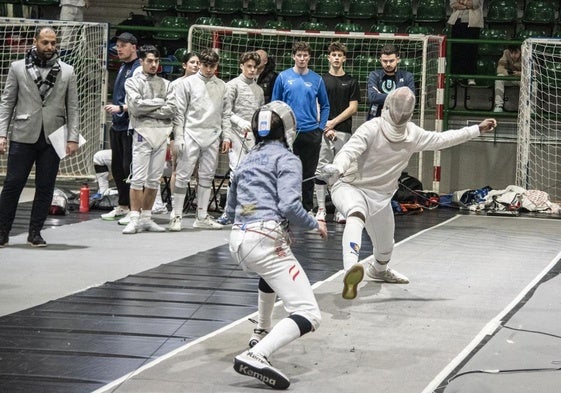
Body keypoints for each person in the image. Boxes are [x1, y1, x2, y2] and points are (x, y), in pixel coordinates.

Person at [319, 87, 497, 300]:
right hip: (350, 187)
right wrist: (337, 168)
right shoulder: (372, 129)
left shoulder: (413, 134)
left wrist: (477, 129)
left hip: (381, 197)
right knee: (356, 214)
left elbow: (443, 139)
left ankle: (379, 270)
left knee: (385, 249)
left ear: (386, 107)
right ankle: (351, 268)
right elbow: (349, 152)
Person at [227, 101, 328, 390]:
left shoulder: (247, 156)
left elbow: (231, 202)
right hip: (264, 240)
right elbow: (289, 205)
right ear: (287, 129)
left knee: (269, 274)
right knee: (309, 314)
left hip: (237, 240)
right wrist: (314, 224)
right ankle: (257, 354)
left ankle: (261, 329)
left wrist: (275, 227)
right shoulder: (288, 158)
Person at [0, 26, 79, 248]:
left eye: (53, 43)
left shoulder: (68, 71)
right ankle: (2, 231)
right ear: (36, 42)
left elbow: (73, 107)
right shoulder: (17, 68)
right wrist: (1, 134)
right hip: (23, 134)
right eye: (45, 42)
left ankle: (35, 232)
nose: (50, 47)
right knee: (13, 184)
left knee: (46, 186)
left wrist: (72, 138)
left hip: (53, 137)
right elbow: (7, 103)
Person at [169, 48, 231, 231]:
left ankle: (202, 216)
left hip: (212, 135)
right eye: (205, 65)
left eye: (213, 66)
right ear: (200, 64)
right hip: (191, 134)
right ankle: (176, 215)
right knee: (182, 175)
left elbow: (225, 114)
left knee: (206, 176)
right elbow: (179, 113)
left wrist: (225, 137)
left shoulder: (222, 86)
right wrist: (178, 137)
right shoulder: (186, 84)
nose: (209, 69)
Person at [121, 45, 176, 234]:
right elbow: (135, 108)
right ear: (141, 61)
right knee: (138, 179)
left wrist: (149, 107)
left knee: (153, 180)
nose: (154, 64)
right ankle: (134, 218)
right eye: (150, 61)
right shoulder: (132, 82)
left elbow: (172, 109)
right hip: (142, 133)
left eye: (156, 61)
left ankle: (146, 218)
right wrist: (160, 102)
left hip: (162, 135)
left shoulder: (167, 84)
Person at [272, 41, 330, 213]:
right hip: (288, 133)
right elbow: (275, 104)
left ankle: (307, 208)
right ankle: (284, 207)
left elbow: (325, 105)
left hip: (311, 133)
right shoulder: (283, 77)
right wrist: (279, 130)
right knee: (286, 171)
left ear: (309, 57)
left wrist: (320, 128)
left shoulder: (317, 80)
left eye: (305, 55)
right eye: (299, 55)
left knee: (308, 173)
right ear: (293, 56)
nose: (302, 58)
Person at [216, 51, 265, 225]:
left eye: (255, 67)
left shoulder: (258, 90)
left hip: (252, 136)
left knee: (252, 176)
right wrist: (230, 133)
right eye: (249, 66)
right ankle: (229, 213)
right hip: (235, 135)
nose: (252, 70)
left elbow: (260, 113)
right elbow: (226, 112)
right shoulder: (232, 85)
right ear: (241, 66)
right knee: (236, 174)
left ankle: (247, 213)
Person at [315, 41, 360, 224]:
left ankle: (340, 209)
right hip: (324, 131)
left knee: (341, 170)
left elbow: (353, 107)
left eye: (339, 55)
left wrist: (333, 123)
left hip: (342, 131)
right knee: (321, 170)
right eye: (333, 55)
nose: (336, 58)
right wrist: (325, 126)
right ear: (329, 57)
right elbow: (316, 105)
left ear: (344, 58)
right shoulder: (321, 80)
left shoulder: (351, 81)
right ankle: (320, 209)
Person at [101, 32, 140, 223]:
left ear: (134, 47)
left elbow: (139, 100)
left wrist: (121, 108)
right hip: (117, 125)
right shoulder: (123, 66)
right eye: (117, 45)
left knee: (128, 168)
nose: (119, 48)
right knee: (117, 167)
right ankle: (123, 205)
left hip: (130, 126)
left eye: (123, 45)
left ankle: (134, 209)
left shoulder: (138, 69)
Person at [91, 148, 168, 213]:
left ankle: (157, 204)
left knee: (149, 162)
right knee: (99, 157)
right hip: (133, 150)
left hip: (161, 158)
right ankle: (103, 192)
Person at [367, 43, 415, 120]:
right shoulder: (374, 75)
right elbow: (373, 97)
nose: (388, 64)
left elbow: (410, 99)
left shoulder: (407, 76)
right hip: (376, 120)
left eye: (391, 61)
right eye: (385, 61)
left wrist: (380, 95)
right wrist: (399, 96)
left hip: (398, 121)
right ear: (380, 60)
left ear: (398, 60)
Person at [447, 0, 484, 86]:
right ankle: (454, 76)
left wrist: (461, 1)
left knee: (471, 50)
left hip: (473, 24)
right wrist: (466, 4)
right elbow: (453, 4)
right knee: (456, 50)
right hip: (457, 22)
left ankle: (470, 77)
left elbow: (474, 4)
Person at [494, 44, 521, 113]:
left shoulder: (527, 53)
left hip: (523, 80)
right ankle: (498, 106)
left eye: (516, 53)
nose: (513, 55)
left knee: (533, 82)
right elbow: (499, 68)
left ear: (521, 51)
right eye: (511, 52)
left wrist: (520, 74)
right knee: (499, 77)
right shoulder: (506, 53)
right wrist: (508, 73)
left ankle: (530, 108)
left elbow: (535, 73)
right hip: (511, 78)